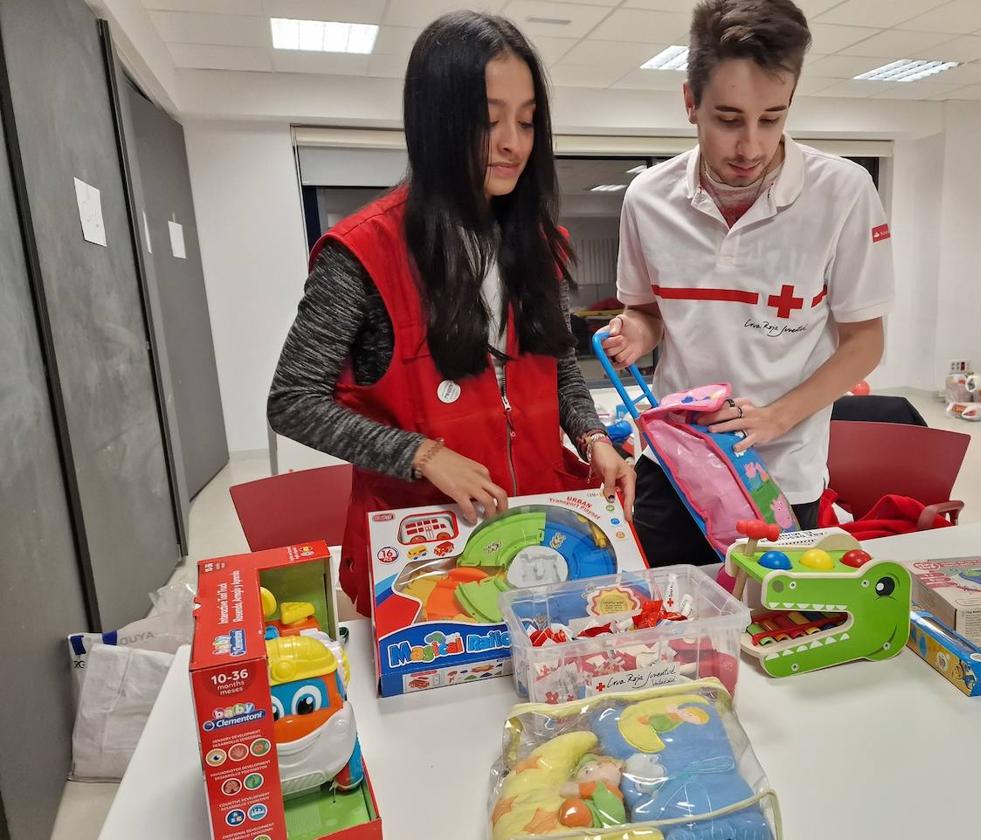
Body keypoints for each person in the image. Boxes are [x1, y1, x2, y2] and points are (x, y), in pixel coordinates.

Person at [268, 11, 634, 616]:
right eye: (489, 122)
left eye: (526, 121)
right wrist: (423, 455)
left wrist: (592, 437)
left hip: (538, 538)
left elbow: (559, 366)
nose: (513, 143)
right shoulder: (364, 252)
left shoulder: (539, 243)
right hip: (425, 554)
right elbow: (293, 400)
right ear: (436, 124)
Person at [602, 0, 893, 566]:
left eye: (772, 118)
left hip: (779, 473)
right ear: (691, 103)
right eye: (728, 119)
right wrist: (635, 333)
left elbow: (866, 342)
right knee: (670, 625)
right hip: (674, 462)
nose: (751, 147)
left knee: (770, 628)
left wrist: (775, 417)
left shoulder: (844, 193)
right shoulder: (647, 199)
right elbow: (646, 312)